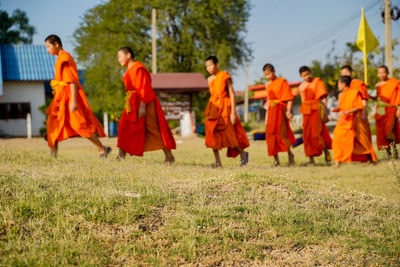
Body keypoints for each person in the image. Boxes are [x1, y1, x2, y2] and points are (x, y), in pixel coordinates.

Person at [44, 34, 111, 158]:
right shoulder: (59, 58)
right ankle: (53, 155)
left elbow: (72, 81)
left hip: (69, 96)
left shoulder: (65, 57)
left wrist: (73, 101)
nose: (47, 49)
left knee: (79, 124)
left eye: (48, 46)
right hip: (60, 96)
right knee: (53, 123)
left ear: (56, 44)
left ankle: (102, 149)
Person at [117, 47, 176, 163]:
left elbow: (144, 87)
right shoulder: (129, 70)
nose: (119, 59)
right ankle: (120, 156)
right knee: (123, 126)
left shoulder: (138, 69)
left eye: (120, 56)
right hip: (131, 102)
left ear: (128, 55)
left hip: (145, 102)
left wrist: (143, 106)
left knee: (153, 128)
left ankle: (169, 156)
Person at [204, 56, 249, 167]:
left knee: (229, 134)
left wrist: (233, 112)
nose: (209, 68)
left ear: (217, 64)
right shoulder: (209, 79)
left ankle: (242, 153)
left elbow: (232, 93)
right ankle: (218, 162)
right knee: (212, 133)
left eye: (210, 65)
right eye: (207, 66)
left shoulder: (224, 76)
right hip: (213, 108)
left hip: (225, 107)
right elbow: (213, 94)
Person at [332, 76, 377, 167]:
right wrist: (337, 109)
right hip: (344, 121)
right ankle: (337, 162)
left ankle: (370, 159)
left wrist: (345, 112)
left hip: (355, 120)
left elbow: (359, 106)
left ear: (344, 84)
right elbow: (343, 107)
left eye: (339, 84)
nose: (338, 86)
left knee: (362, 140)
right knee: (337, 139)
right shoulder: (342, 95)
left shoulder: (354, 93)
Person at [263, 63, 296, 166]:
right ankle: (276, 161)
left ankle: (290, 155)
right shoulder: (268, 85)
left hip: (280, 111)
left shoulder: (282, 82)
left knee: (281, 134)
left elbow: (289, 98)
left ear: (274, 71)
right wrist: (266, 117)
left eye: (269, 74)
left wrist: (288, 111)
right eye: (266, 75)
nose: (268, 76)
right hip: (271, 111)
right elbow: (268, 102)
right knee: (270, 136)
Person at [298, 66, 332, 165]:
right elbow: (302, 101)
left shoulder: (317, 82)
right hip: (306, 112)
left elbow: (323, 97)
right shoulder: (301, 87)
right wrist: (301, 119)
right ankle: (311, 159)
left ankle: (325, 151)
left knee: (318, 133)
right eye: (304, 76)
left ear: (311, 72)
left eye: (308, 74)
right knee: (307, 135)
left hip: (316, 109)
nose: (307, 77)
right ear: (301, 76)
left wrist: (325, 110)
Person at [374, 65, 400, 158]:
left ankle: (395, 151)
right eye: (379, 72)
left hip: (391, 109)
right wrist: (369, 95)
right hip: (380, 110)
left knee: (389, 132)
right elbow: (377, 98)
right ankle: (389, 154)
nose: (381, 74)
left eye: (383, 72)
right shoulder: (378, 85)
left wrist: (399, 110)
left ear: (387, 73)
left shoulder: (394, 83)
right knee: (382, 134)